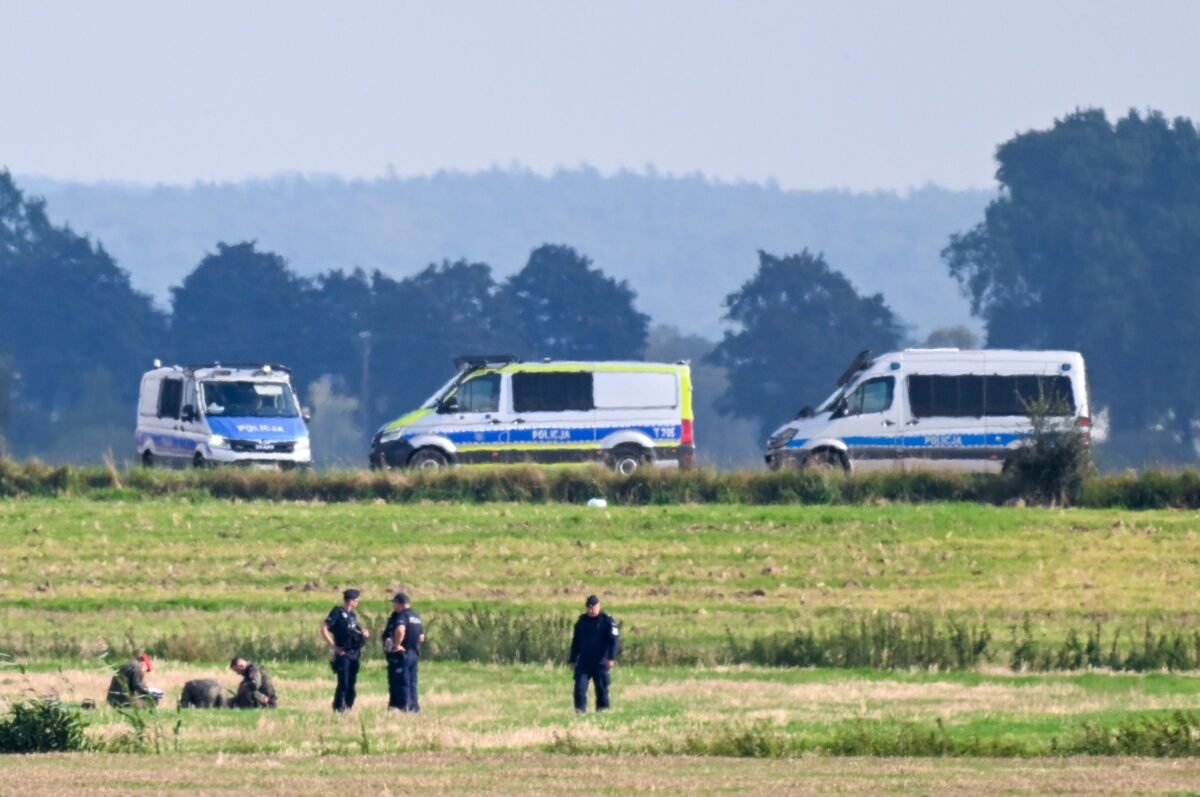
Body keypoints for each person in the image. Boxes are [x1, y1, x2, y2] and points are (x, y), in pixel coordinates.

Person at [321, 588, 370, 712]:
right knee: (344, 683)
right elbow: (324, 629)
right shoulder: (337, 612)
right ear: (351, 601)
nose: (357, 602)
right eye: (356, 600)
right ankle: (338, 708)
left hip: (354, 653)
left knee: (351, 684)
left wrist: (363, 634)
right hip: (343, 653)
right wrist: (334, 646)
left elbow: (354, 632)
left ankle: (348, 707)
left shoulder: (352, 616)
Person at [569, 595, 620, 713]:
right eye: (589, 607)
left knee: (602, 688)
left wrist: (611, 657)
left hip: (601, 662)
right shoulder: (581, 622)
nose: (591, 609)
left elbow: (614, 640)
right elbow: (576, 642)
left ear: (599, 606)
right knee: (579, 689)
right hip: (584, 662)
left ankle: (603, 711)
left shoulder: (607, 621)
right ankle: (580, 711)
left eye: (594, 607)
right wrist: (572, 659)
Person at [383, 592, 424, 712]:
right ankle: (414, 707)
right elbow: (421, 637)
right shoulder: (415, 616)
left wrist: (397, 645)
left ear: (400, 604)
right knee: (412, 682)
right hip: (413, 653)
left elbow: (400, 630)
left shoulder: (402, 616)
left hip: (403, 654)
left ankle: (405, 707)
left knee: (403, 681)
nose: (394, 606)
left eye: (395, 603)